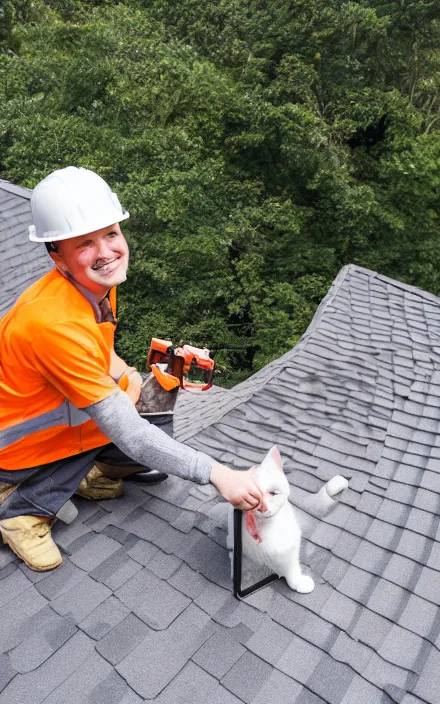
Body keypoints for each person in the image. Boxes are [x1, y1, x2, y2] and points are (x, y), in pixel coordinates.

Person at [0, 166, 266, 572]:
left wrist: (128, 378)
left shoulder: (94, 284)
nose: (106, 252)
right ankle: (23, 514)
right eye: (84, 243)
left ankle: (85, 476)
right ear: (58, 256)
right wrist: (218, 474)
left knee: (147, 409)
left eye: (110, 234)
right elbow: (130, 434)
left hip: (51, 420)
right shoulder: (52, 323)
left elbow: (101, 348)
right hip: (18, 445)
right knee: (137, 432)